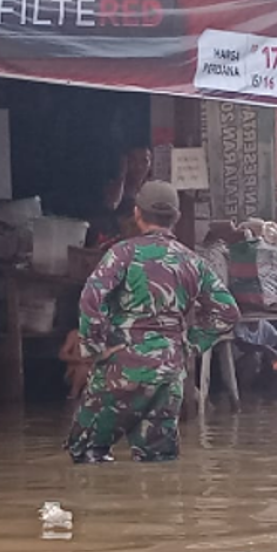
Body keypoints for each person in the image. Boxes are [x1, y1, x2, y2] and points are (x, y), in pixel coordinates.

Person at [65, 181, 240, 464]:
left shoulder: (123, 254)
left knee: (86, 456)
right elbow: (228, 311)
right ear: (177, 217)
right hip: (167, 374)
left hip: (119, 371)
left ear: (136, 213)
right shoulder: (193, 262)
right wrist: (189, 344)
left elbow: (90, 298)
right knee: (158, 463)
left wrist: (96, 347)